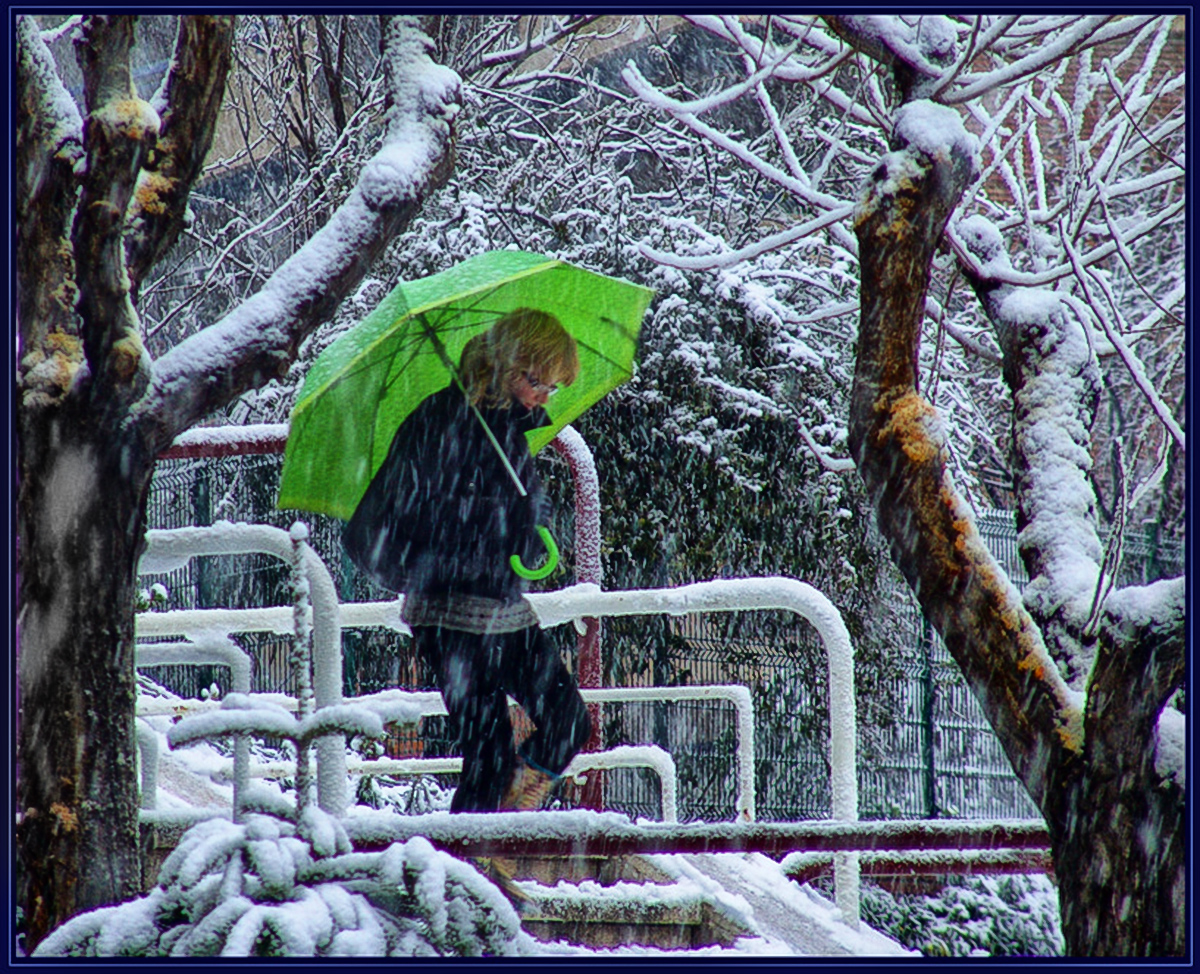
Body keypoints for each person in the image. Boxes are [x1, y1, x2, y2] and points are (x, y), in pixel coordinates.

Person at [343, 308, 593, 819]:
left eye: (552, 385)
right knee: (490, 756)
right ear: (503, 365)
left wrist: (531, 533)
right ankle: (469, 871)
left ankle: (495, 836)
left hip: (503, 607)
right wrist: (461, 550)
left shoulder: (508, 431)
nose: (544, 395)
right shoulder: (438, 423)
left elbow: (522, 507)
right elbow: (378, 529)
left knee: (567, 720)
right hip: (450, 617)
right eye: (535, 380)